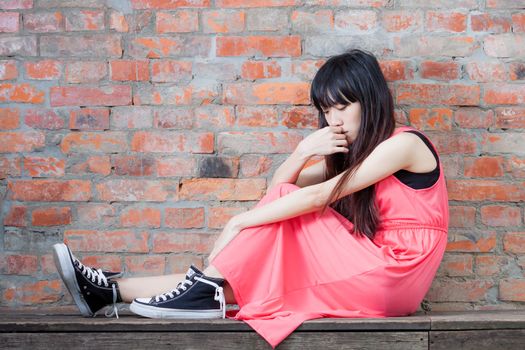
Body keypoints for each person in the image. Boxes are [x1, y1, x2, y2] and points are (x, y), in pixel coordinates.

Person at [52, 49, 449, 349]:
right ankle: (110, 291)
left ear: (372, 99)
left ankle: (204, 288)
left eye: (344, 106)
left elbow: (321, 197)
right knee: (253, 268)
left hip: (392, 277)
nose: (334, 120)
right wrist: (302, 152)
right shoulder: (352, 159)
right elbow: (277, 189)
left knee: (278, 225)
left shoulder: (405, 144)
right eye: (327, 110)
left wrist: (239, 222)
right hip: (369, 270)